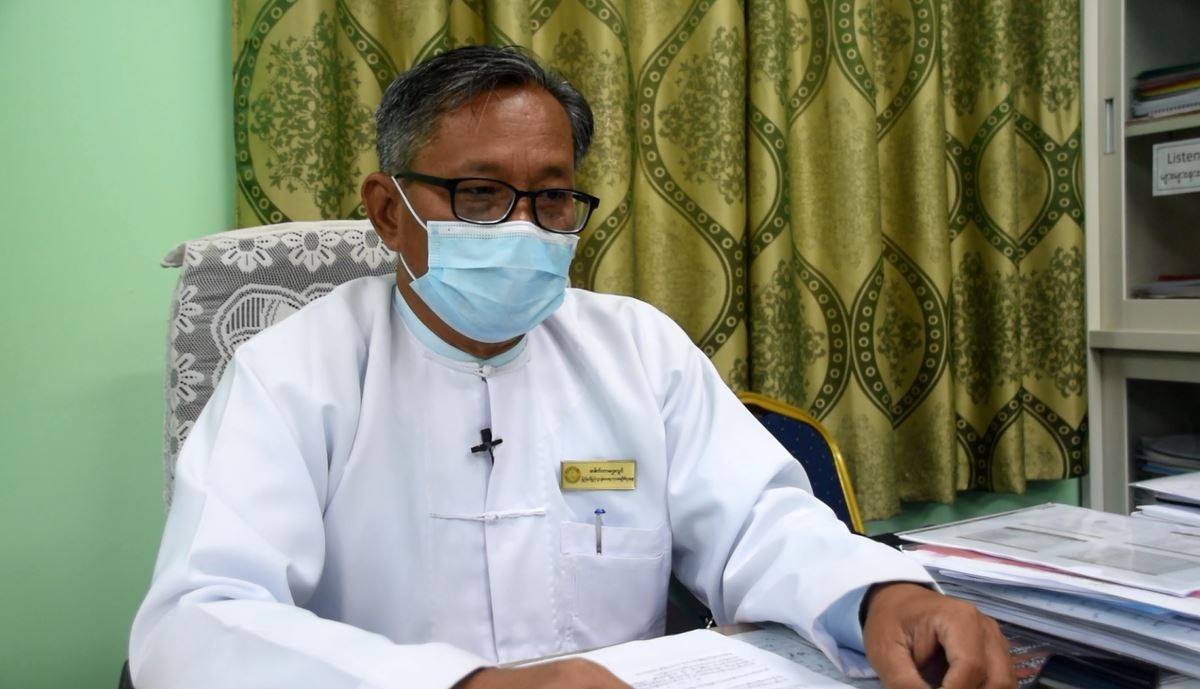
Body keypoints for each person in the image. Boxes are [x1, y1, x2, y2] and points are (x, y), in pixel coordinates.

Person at [129, 45, 1015, 689]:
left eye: (552, 196)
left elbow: (761, 522)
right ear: (389, 212)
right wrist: (466, 685)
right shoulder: (293, 373)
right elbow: (197, 620)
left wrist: (880, 597)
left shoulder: (637, 348)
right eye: (480, 194)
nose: (524, 226)